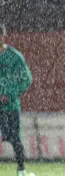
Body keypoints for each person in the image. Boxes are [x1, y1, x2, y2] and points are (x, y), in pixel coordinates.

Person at [0, 40, 33, 176]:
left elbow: (27, 79)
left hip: (10, 107)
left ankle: (21, 170)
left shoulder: (15, 57)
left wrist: (10, 95)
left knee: (14, 139)